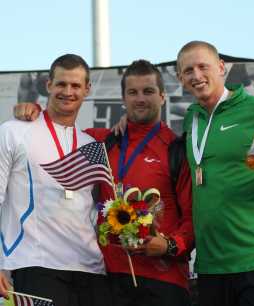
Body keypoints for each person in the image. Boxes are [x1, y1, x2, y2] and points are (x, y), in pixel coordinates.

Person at [13, 59, 194, 306]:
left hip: (165, 279)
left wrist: (170, 246)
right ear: (123, 98)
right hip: (110, 280)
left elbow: (194, 217)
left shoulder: (177, 149)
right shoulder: (99, 142)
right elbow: (59, 129)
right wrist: (32, 111)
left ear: (162, 96)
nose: (140, 99)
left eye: (148, 91)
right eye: (132, 92)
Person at [176, 40, 254, 306]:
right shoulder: (192, 119)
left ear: (221, 67)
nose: (197, 75)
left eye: (203, 66)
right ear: (180, 77)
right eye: (188, 70)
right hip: (212, 264)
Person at [0, 54, 111, 306]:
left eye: (75, 86)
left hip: (90, 269)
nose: (68, 92)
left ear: (87, 90)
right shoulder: (13, 131)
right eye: (61, 84)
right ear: (48, 85)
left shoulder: (91, 144)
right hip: (34, 264)